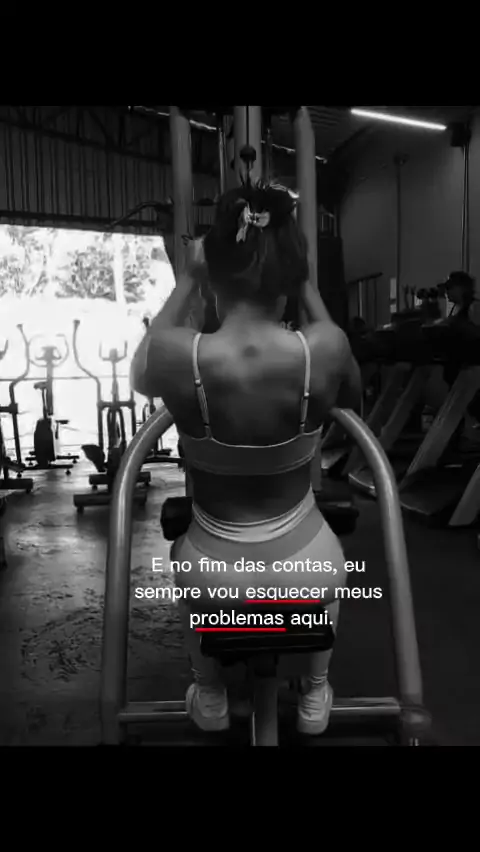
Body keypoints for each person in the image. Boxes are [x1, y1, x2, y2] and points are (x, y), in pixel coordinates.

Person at [130, 183, 362, 737]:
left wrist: (188, 280)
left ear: (211, 270)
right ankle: (315, 691)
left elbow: (140, 373)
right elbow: (353, 395)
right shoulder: (324, 348)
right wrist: (306, 287)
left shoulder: (176, 353)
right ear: (291, 274)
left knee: (191, 570)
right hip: (309, 569)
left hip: (212, 574)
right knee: (325, 567)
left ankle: (209, 693)